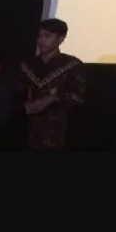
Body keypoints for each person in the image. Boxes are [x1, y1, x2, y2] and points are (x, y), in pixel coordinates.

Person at [21, 18, 86, 151]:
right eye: (39, 36)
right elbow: (18, 91)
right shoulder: (29, 66)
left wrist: (52, 98)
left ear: (60, 39)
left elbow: (79, 96)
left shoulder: (71, 65)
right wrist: (25, 104)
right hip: (27, 131)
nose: (41, 40)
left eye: (47, 36)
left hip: (57, 133)